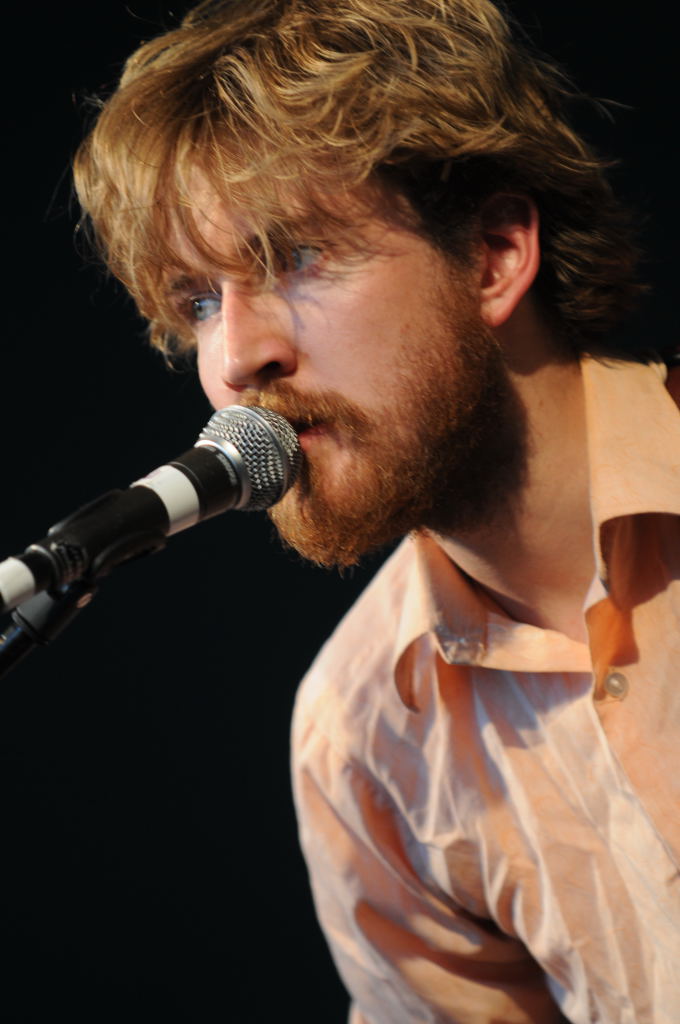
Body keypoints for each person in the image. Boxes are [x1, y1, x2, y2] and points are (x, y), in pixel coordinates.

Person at [73, 0, 679, 1020]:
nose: (237, 358)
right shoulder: (358, 739)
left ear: (492, 254)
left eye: (294, 257)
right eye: (199, 301)